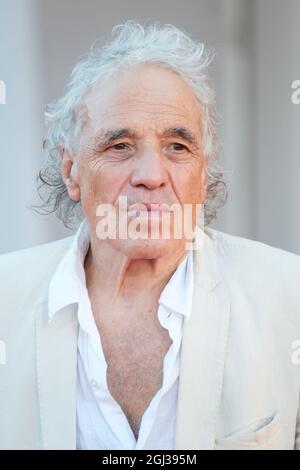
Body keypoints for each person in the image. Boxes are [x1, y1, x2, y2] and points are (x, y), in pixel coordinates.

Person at [0, 20, 299, 450]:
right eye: (119, 146)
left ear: (202, 171)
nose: (151, 176)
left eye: (177, 147)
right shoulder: (6, 300)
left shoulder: (290, 295)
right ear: (71, 171)